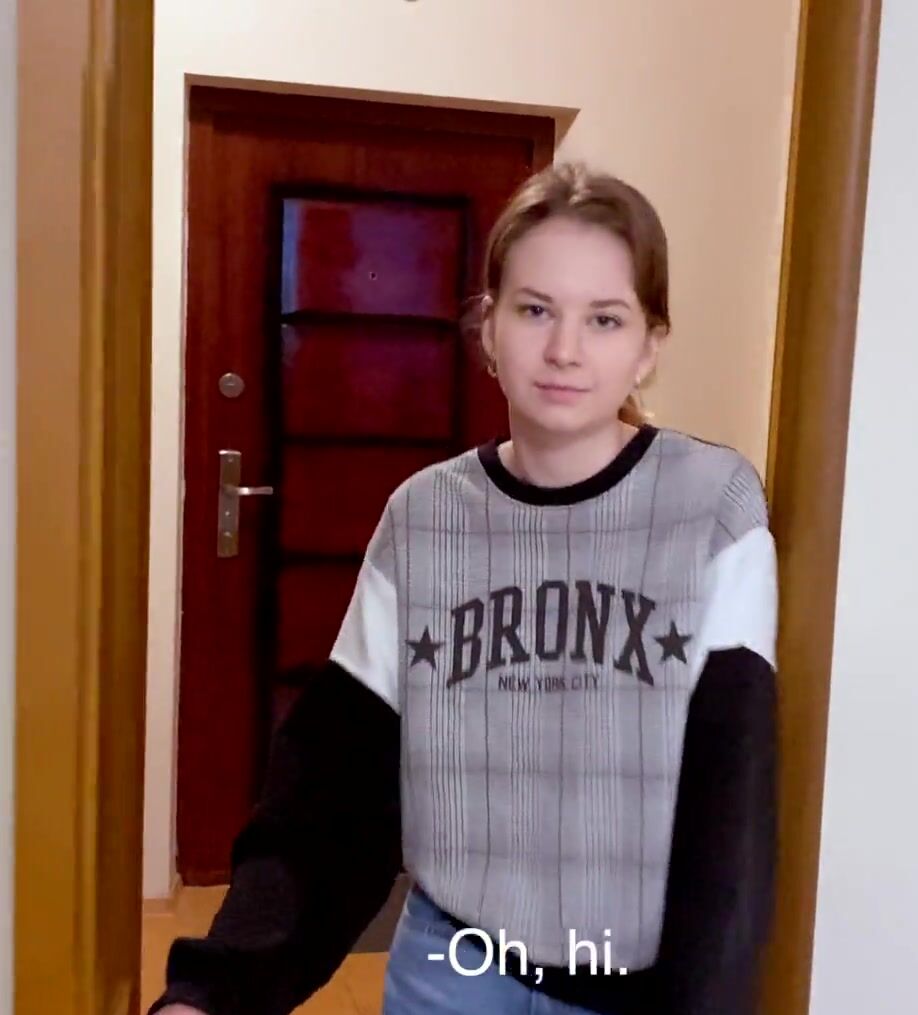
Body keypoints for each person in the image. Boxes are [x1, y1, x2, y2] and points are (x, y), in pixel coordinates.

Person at [151, 162, 779, 1015]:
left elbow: (732, 819)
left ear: (649, 345)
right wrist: (212, 992)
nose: (564, 350)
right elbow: (330, 790)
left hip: (634, 987)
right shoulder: (424, 518)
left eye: (604, 318)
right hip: (451, 970)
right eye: (534, 310)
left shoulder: (711, 507)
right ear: (488, 327)